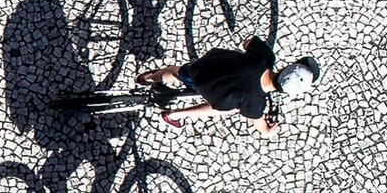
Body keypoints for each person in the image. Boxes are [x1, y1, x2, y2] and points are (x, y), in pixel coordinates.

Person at [136, 39, 320, 135]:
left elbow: (247, 43)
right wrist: (270, 131)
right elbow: (262, 129)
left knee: (178, 72)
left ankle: (149, 78)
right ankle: (174, 115)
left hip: (205, 69)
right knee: (228, 109)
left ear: (285, 68)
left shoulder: (265, 57)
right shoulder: (255, 103)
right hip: (216, 94)